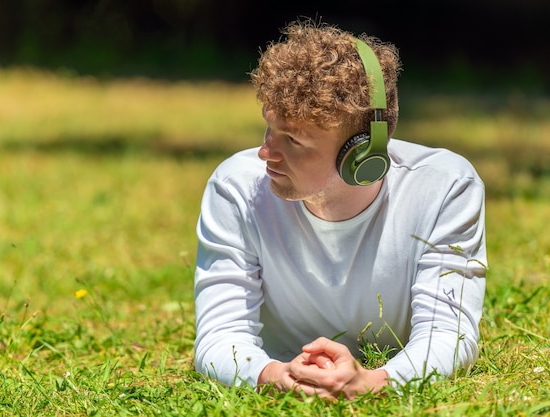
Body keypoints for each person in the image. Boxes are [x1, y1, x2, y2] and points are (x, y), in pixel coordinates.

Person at [193, 19, 487, 401]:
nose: (266, 152)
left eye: (294, 140)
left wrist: (374, 382)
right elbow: (219, 335)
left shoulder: (445, 188)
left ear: (363, 155)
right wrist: (273, 375)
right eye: (269, 128)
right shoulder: (236, 188)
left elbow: (449, 335)